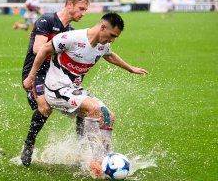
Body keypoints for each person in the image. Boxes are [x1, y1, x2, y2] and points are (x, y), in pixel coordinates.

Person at [23, 12, 148, 176]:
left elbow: (109, 55)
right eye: (111, 35)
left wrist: (130, 68)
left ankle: (103, 158)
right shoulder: (72, 38)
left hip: (74, 90)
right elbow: (45, 48)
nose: (112, 40)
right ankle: (98, 164)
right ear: (102, 26)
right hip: (56, 89)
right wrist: (31, 76)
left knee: (108, 116)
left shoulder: (102, 45)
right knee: (94, 109)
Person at [20, 0, 90, 167]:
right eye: (81, 9)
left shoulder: (70, 31)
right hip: (35, 72)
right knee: (45, 107)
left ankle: (81, 148)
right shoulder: (47, 20)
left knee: (82, 104)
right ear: (69, 4)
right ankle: (29, 144)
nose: (83, 13)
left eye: (85, 10)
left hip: (55, 75)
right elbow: (37, 49)